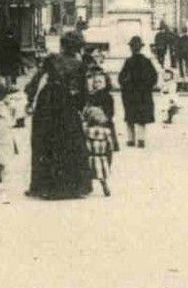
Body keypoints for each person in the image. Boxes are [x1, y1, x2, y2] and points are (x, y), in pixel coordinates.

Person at [24, 38, 93, 200]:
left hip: (47, 102)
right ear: (77, 49)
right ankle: (72, 187)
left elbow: (37, 79)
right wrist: (80, 108)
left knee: (44, 142)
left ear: (62, 46)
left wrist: (30, 98)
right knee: (69, 143)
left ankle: (43, 186)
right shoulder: (79, 65)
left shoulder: (52, 59)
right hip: (66, 104)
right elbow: (82, 91)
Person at [118, 37, 158, 148]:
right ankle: (141, 139)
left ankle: (131, 139)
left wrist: (125, 86)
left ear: (131, 48)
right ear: (141, 48)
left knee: (130, 116)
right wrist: (148, 87)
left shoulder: (129, 62)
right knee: (141, 117)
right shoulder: (146, 61)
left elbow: (121, 78)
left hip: (130, 93)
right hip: (143, 94)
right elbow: (154, 77)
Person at [83, 106, 115, 198]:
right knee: (101, 175)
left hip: (91, 156)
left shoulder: (87, 131)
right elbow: (110, 146)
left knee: (88, 173)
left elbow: (86, 143)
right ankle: (105, 187)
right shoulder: (106, 131)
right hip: (102, 156)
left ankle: (87, 187)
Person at [84, 68, 118, 150]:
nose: (98, 84)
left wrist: (105, 116)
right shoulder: (90, 96)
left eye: (100, 82)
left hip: (104, 121)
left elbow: (110, 112)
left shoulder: (107, 97)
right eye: (96, 82)